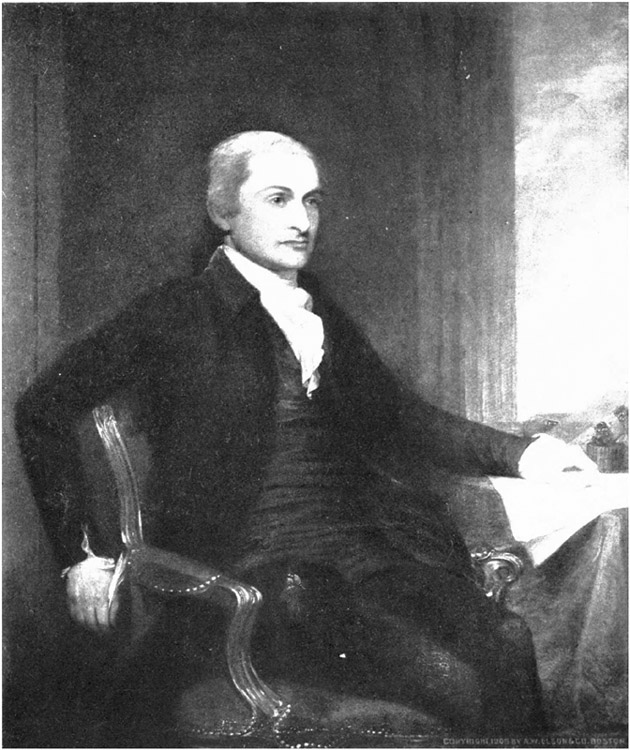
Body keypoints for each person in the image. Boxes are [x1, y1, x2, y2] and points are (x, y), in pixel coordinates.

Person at [17, 131, 598, 740]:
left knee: (506, 640)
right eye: (278, 199)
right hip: (253, 573)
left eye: (312, 201)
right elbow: (42, 408)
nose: (302, 220)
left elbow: (400, 416)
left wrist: (527, 453)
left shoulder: (318, 310)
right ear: (223, 211)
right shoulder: (175, 312)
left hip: (360, 554)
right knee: (454, 679)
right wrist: (81, 558)